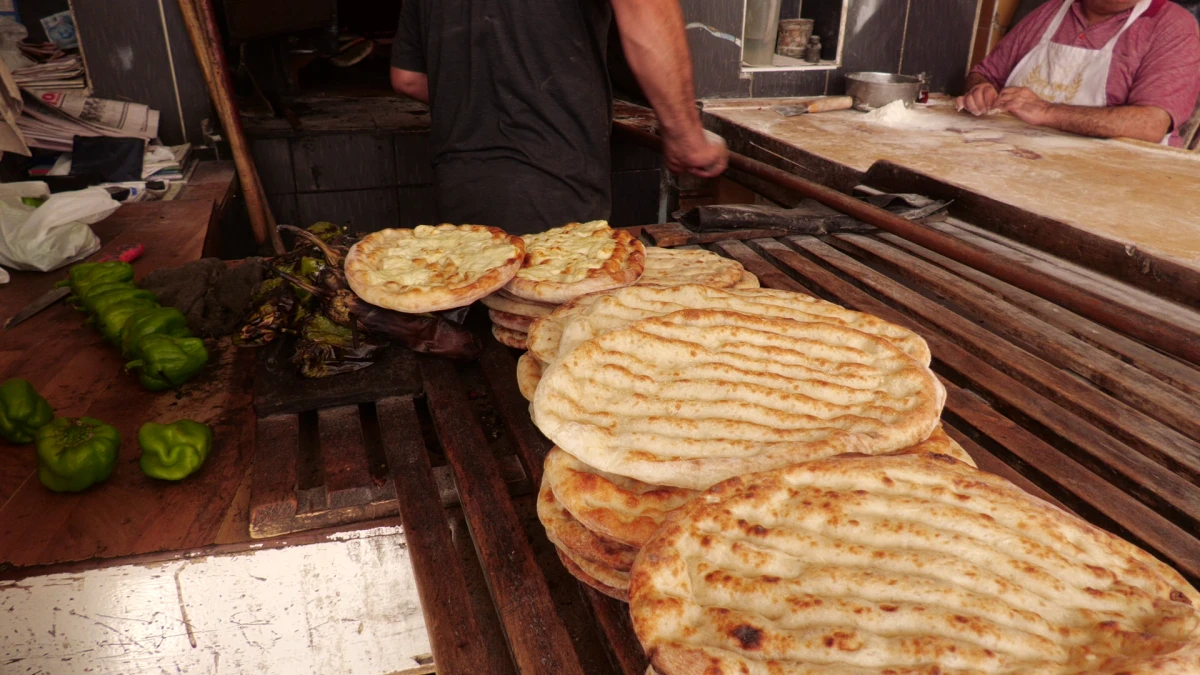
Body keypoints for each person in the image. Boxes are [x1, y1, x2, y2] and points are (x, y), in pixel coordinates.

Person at [390, 0, 729, 234]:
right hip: (551, 184)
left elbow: (408, 78)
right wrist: (686, 137)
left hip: (457, 182)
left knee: (479, 309)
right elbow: (644, 7)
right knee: (551, 314)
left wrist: (482, 101)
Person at [957, 0, 1200, 146]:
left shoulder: (1172, 26)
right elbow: (984, 74)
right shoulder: (1049, 11)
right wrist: (981, 90)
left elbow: (1150, 124)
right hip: (1021, 158)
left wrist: (1046, 111)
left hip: (1117, 178)